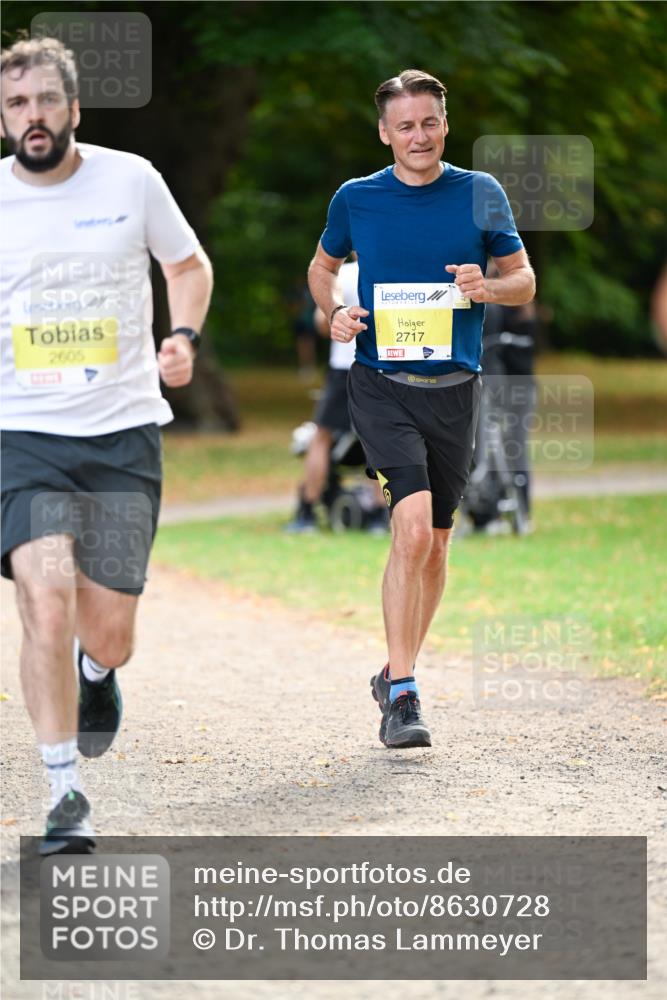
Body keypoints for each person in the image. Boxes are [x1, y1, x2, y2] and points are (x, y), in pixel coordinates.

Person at [0, 37, 213, 853]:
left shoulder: (130, 178)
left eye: (47, 100)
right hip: (24, 436)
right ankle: (63, 794)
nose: (34, 116)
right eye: (18, 104)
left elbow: (187, 265)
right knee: (44, 605)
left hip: (123, 435)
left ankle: (100, 675)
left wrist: (182, 334)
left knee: (106, 631)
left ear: (75, 108)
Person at [307, 69, 535, 749]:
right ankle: (403, 693)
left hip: (455, 391)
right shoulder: (357, 199)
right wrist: (335, 313)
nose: (417, 135)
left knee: (436, 543)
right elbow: (321, 269)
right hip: (381, 384)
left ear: (445, 124)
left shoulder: (479, 194)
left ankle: (393, 671)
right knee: (408, 531)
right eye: (403, 125)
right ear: (384, 133)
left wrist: (484, 288)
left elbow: (523, 282)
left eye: (428, 122)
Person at [286, 256, 388, 534]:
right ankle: (380, 515)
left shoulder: (342, 274)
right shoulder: (390, 269)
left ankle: (306, 513)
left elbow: (322, 322)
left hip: (343, 367)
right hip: (381, 366)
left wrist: (341, 320)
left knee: (321, 437)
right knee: (376, 440)